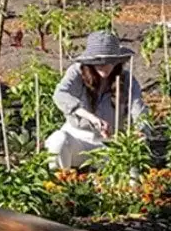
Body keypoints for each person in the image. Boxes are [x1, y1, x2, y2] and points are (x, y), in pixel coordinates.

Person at [46, 31, 148, 169]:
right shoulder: (77, 72)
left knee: (128, 164)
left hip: (109, 143)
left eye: (108, 60)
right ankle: (61, 184)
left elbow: (138, 109)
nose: (103, 65)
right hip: (78, 138)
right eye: (97, 61)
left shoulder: (126, 79)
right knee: (58, 141)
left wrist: (140, 130)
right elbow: (60, 94)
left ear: (117, 60)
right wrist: (92, 118)